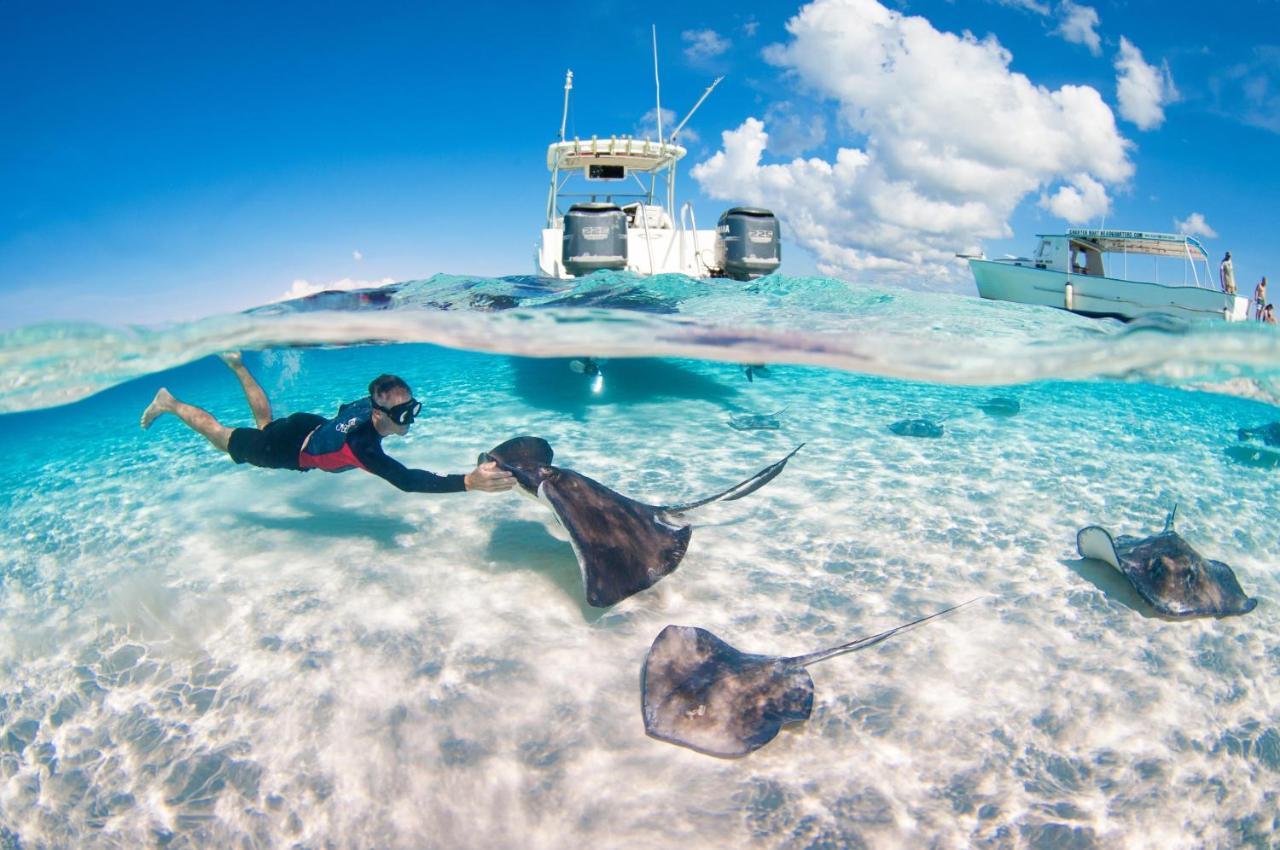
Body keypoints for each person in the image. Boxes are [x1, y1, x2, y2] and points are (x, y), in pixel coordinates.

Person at [140, 353, 515, 493]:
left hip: (310, 426)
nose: (409, 420)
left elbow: (342, 408)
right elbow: (406, 480)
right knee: (222, 437)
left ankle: (237, 363)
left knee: (266, 422)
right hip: (291, 448)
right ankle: (169, 402)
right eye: (402, 415)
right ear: (377, 413)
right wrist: (469, 482)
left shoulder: (367, 406)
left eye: (413, 409)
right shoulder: (363, 446)